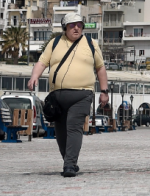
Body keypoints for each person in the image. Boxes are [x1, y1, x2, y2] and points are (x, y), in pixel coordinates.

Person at [28, 13, 109, 177]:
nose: (76, 28)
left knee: (73, 127)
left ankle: (69, 165)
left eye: (79, 24)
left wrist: (104, 91)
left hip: (82, 94)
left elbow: (100, 68)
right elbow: (42, 62)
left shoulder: (91, 44)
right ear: (65, 28)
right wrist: (34, 76)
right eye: (72, 25)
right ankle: (69, 160)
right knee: (60, 132)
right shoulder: (55, 42)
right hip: (57, 97)